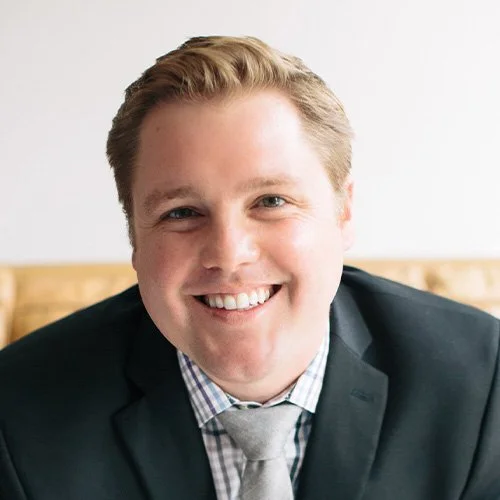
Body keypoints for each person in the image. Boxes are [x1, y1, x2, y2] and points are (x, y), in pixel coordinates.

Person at [0, 36, 499, 500]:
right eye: (181, 212)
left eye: (271, 200)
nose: (229, 253)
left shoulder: (482, 383)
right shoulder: (17, 416)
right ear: (134, 236)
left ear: (342, 213)